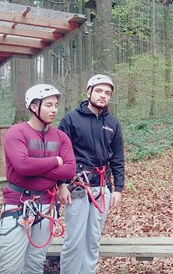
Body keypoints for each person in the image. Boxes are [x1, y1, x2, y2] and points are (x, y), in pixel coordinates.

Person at [0, 84, 76, 274]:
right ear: (33, 107)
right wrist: (55, 161)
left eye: (56, 105)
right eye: (48, 105)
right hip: (18, 206)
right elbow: (22, 166)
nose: (54, 109)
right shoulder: (16, 133)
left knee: (35, 264)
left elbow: (70, 170)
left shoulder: (61, 137)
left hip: (45, 206)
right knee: (10, 267)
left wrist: (35, 167)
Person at [57, 74, 125, 274]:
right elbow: (60, 154)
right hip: (76, 187)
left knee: (93, 239)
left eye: (107, 93)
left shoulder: (113, 123)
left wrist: (118, 188)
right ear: (88, 92)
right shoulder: (71, 119)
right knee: (74, 240)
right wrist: (61, 184)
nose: (103, 96)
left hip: (101, 187)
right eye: (99, 91)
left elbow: (118, 158)